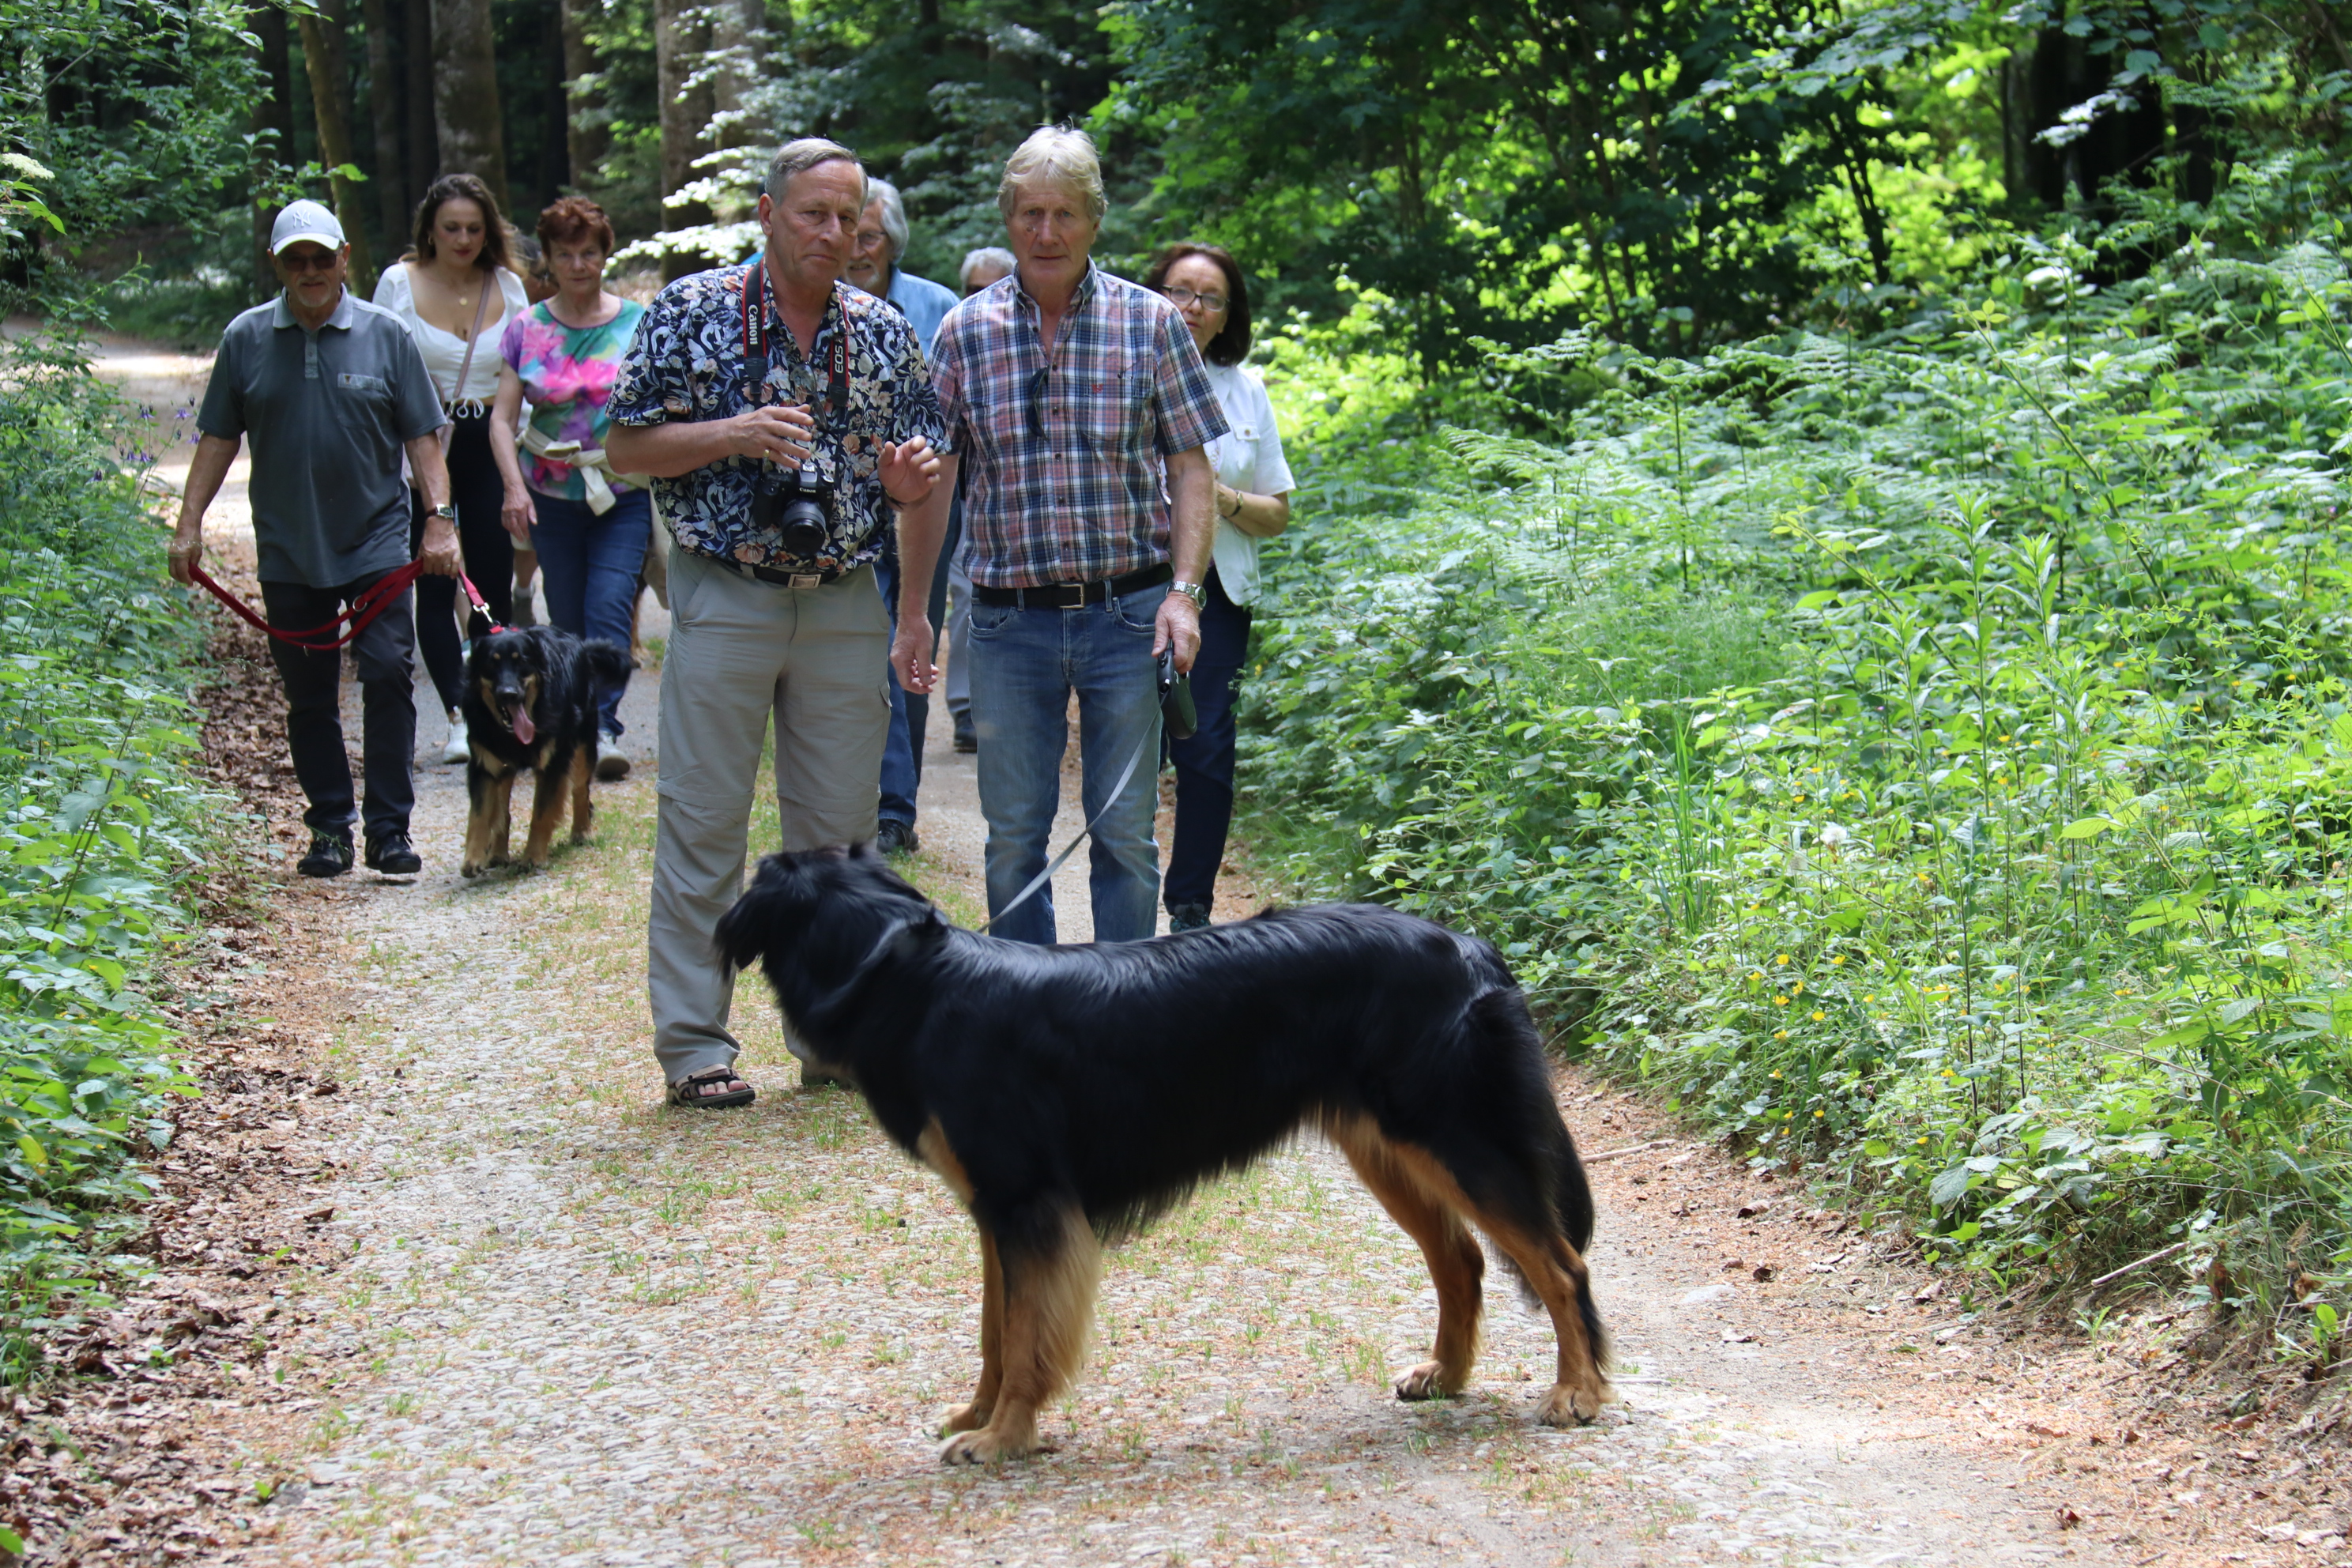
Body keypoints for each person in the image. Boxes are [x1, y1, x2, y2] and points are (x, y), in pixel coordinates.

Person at [604, 138, 951, 1109]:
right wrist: (733, 433)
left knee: (840, 840)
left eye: (848, 217)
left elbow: (924, 479)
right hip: (726, 591)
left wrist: (906, 515)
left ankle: (832, 1039)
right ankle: (695, 1048)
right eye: (813, 213)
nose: (833, 233)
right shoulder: (692, 310)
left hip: (843, 596)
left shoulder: (882, 332)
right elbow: (623, 448)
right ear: (767, 214)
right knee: (704, 822)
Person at [927, 127, 1227, 946]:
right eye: (1030, 213)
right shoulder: (964, 331)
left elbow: (1191, 469)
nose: (1046, 232)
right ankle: (1026, 1009)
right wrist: (914, 610)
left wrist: (1184, 595)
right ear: (1008, 219)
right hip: (1005, 621)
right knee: (1013, 838)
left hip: (1128, 616)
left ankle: (1126, 1008)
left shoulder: (1151, 322)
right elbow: (934, 483)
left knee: (1125, 835)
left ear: (1095, 219)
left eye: (1064, 213)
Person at [168, 199, 462, 878]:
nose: (310, 271)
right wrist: (188, 525)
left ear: (343, 258)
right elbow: (218, 437)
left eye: (321, 258)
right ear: (276, 264)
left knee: (387, 672)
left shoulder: (387, 335)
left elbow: (423, 438)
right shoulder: (245, 338)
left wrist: (439, 519)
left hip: (378, 544)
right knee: (308, 694)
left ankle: (389, 830)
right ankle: (330, 827)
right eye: (296, 260)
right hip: (289, 548)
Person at [1141, 243, 1294, 932]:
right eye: (1180, 291)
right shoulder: (1122, 368)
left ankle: (1191, 906)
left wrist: (1215, 496)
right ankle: (1123, 895)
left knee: (1205, 747)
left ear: (1229, 315)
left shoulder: (1245, 390)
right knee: (1134, 743)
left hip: (1219, 597)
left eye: (1210, 298)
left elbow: (1277, 513)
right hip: (1133, 582)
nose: (1193, 308)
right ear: (1154, 295)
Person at [488, 195, 648, 782]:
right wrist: (513, 488)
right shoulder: (527, 328)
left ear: (606, 255)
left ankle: (603, 726)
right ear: (548, 261)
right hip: (550, 496)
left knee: (610, 605)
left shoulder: (638, 323)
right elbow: (501, 419)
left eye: (588, 253)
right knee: (567, 613)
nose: (578, 265)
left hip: (621, 491)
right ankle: (572, 720)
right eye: (564, 254)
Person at [373, 173, 530, 765]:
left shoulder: (507, 286)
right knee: (435, 582)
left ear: (489, 231)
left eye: (474, 229)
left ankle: (496, 709)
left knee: (491, 581)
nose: (463, 240)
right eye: (451, 228)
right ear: (430, 232)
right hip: (425, 444)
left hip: (488, 440)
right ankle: (458, 716)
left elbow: (526, 370)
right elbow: (381, 365)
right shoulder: (399, 283)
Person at [844, 177, 961, 854]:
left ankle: (895, 809)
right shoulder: (813, 305)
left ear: (893, 241)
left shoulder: (937, 307)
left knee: (911, 639)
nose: (858, 249)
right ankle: (869, 803)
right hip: (843, 508)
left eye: (871, 236)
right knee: (859, 646)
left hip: (924, 507)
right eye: (850, 234)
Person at [940, 245, 1016, 756]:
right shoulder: (954, 336)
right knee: (967, 598)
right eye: (973, 289)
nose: (981, 298)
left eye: (993, 287)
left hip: (1013, 501)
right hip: (960, 498)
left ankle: (1006, 708)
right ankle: (967, 707)